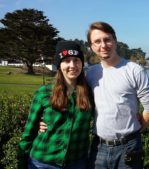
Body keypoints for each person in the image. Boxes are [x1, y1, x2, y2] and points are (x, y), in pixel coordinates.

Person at [86, 21, 149, 169]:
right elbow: (75, 103)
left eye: (107, 39)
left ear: (115, 41)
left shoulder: (134, 70)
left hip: (129, 147)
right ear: (92, 46)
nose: (103, 45)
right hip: (98, 148)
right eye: (97, 41)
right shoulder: (90, 74)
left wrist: (132, 132)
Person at [18, 41, 93, 169]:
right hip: (42, 162)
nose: (72, 65)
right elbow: (29, 132)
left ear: (81, 63)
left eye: (76, 60)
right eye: (67, 61)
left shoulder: (90, 94)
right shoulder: (44, 92)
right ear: (59, 65)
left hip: (77, 162)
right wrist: (21, 161)